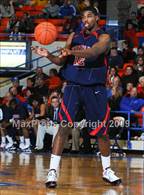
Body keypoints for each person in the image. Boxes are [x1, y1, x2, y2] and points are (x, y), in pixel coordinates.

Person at [31, 6, 122, 188]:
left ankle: (107, 170)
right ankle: (52, 172)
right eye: (83, 16)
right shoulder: (74, 36)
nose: (85, 19)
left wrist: (71, 52)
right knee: (63, 128)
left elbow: (93, 52)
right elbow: (61, 60)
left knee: (101, 132)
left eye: (89, 16)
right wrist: (47, 54)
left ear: (97, 18)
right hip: (73, 86)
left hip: (95, 89)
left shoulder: (104, 38)